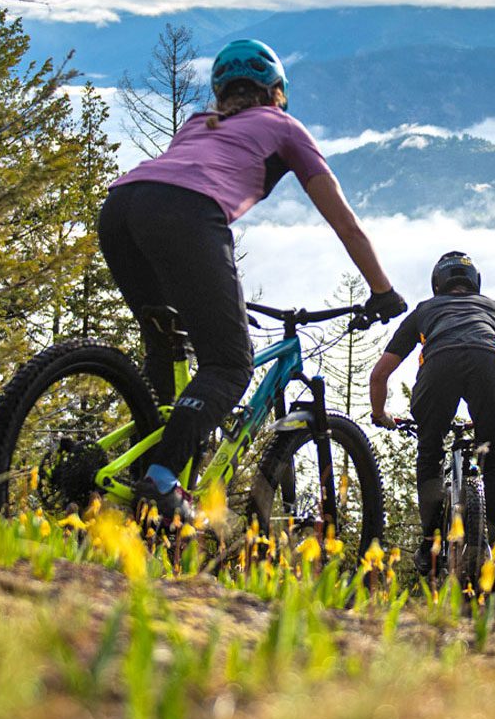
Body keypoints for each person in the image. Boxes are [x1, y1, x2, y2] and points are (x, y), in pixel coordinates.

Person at [98, 39, 406, 521]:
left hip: (120, 208)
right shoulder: (285, 127)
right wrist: (383, 290)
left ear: (221, 91)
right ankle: (162, 482)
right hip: (187, 215)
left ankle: (144, 479)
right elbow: (344, 221)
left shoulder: (199, 123)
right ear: (277, 90)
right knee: (230, 367)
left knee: (166, 346)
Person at [368, 250, 495, 571]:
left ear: (437, 284)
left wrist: (380, 414)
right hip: (488, 364)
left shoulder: (425, 310)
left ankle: (430, 543)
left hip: (440, 366)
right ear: (475, 282)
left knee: (430, 453)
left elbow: (380, 373)